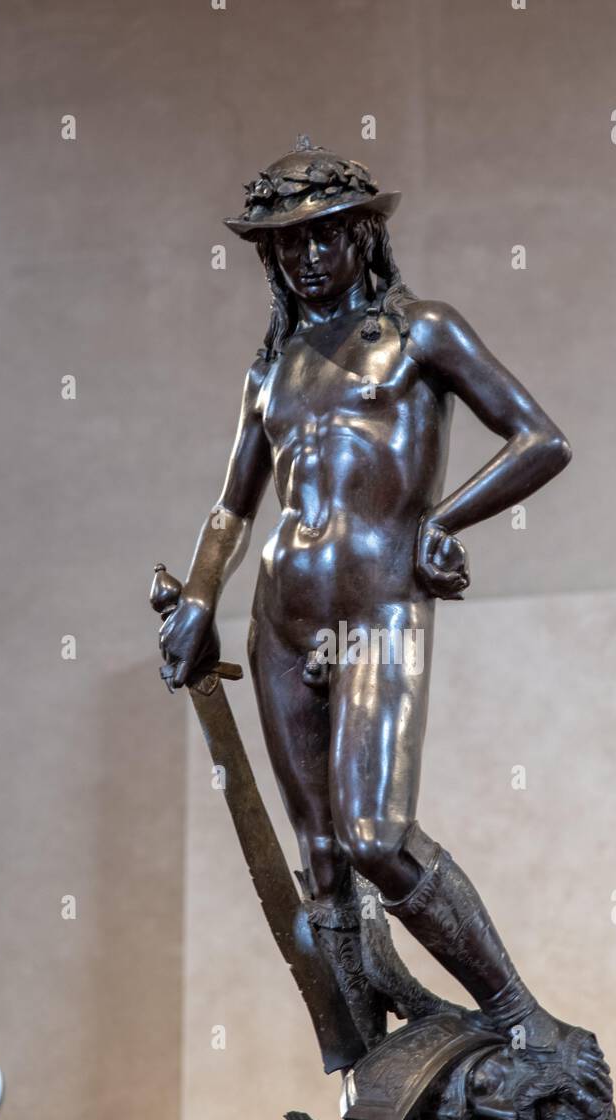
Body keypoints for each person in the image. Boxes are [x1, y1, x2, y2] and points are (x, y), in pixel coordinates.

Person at [158, 137, 572, 1069]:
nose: (308, 258)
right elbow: (233, 506)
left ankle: (518, 1014)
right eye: (287, 245)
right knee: (321, 860)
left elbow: (539, 439)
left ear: (363, 237)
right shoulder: (269, 371)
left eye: (326, 237)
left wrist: (444, 519)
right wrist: (196, 599)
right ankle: (362, 1084)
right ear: (270, 257)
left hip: (378, 613)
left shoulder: (422, 332)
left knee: (376, 834)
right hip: (280, 619)